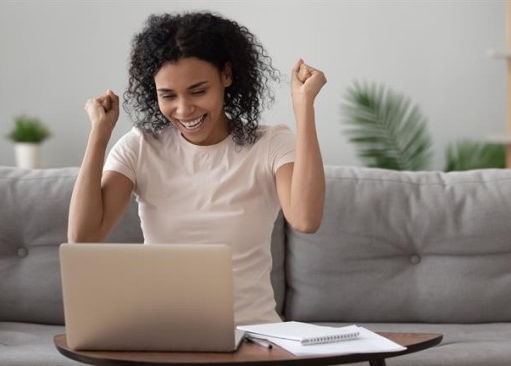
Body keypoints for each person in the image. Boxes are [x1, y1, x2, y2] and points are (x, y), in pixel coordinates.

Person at [68, 11, 326, 325]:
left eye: (198, 91)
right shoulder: (140, 147)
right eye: (168, 96)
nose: (184, 109)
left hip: (254, 334)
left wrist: (304, 106)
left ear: (226, 76)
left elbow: (305, 218)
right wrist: (99, 133)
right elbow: (82, 239)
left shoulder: (270, 144)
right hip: (163, 333)